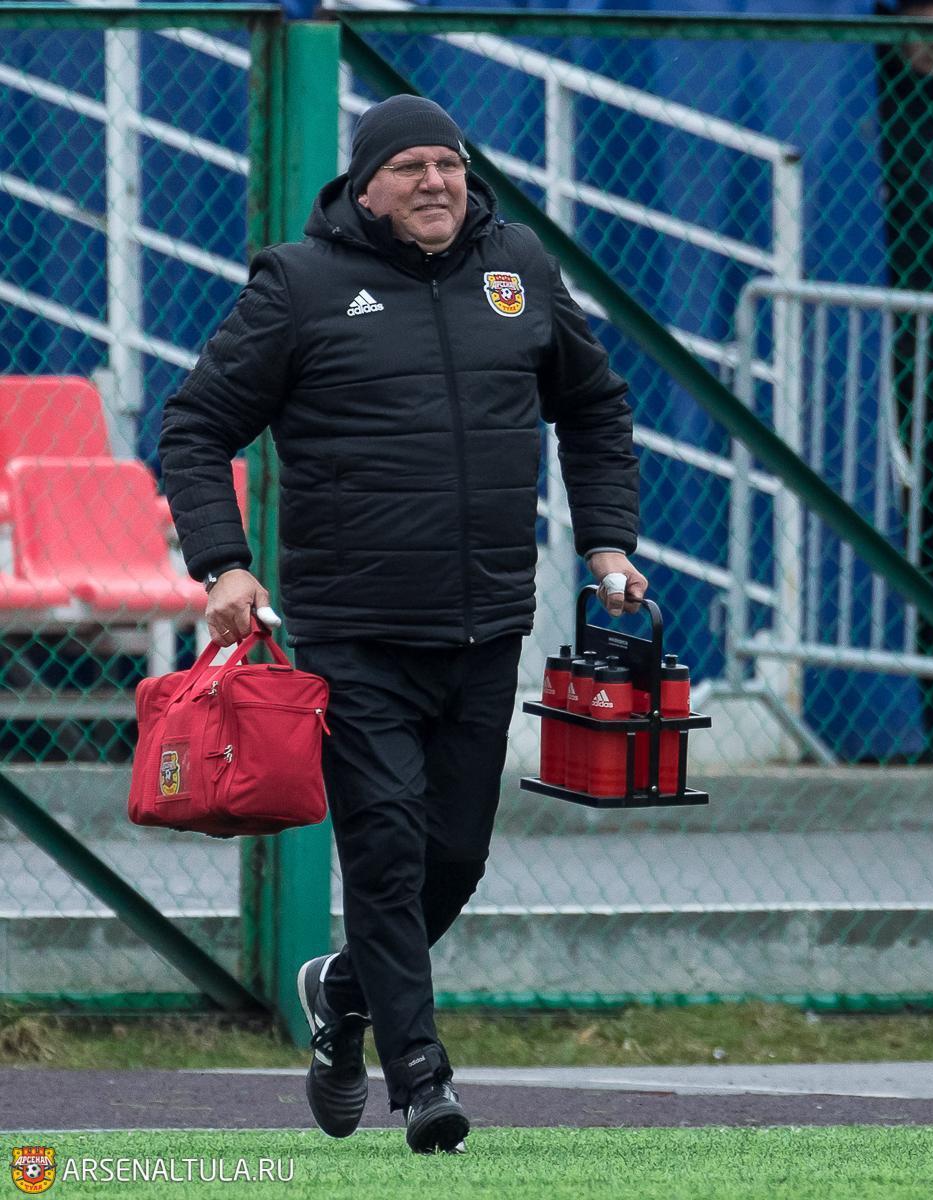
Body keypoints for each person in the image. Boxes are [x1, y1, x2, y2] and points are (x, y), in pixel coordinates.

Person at [159, 95, 645, 1155]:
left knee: (453, 859)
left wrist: (608, 543)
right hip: (354, 634)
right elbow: (195, 426)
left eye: (451, 164)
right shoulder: (300, 284)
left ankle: (342, 994)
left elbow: (595, 406)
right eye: (412, 167)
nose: (436, 182)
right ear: (366, 187)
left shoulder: (520, 267)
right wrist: (223, 561)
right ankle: (423, 1081)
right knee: (383, 852)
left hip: (487, 627)